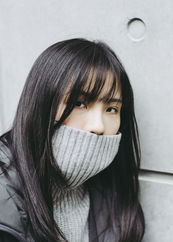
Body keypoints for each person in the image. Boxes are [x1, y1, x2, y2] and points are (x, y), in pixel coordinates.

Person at [0, 38, 145, 242]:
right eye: (79, 103)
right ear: (42, 104)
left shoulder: (114, 194)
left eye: (111, 109)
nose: (98, 126)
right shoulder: (4, 191)